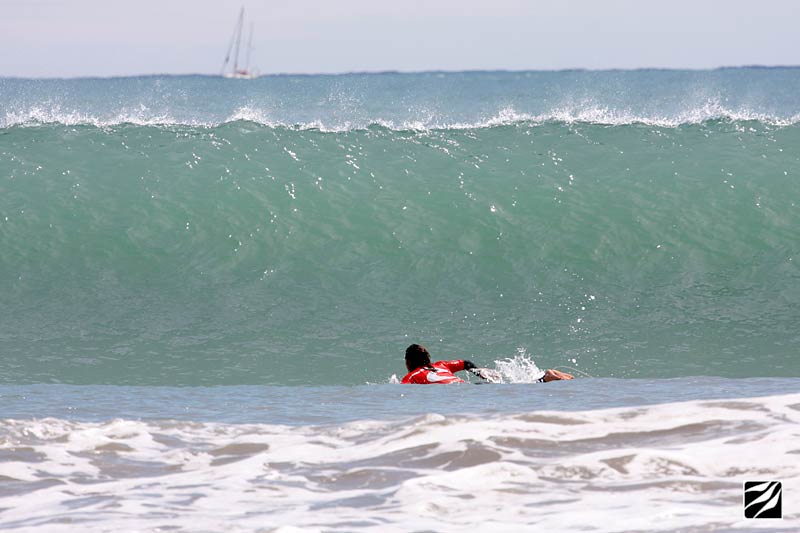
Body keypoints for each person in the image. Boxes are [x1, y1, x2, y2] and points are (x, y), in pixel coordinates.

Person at [401, 344, 574, 384]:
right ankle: (545, 378)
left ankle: (546, 378)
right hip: (468, 387)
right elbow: (466, 363)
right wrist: (479, 372)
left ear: (409, 362)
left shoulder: (410, 377)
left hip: (462, 395)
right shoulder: (441, 365)